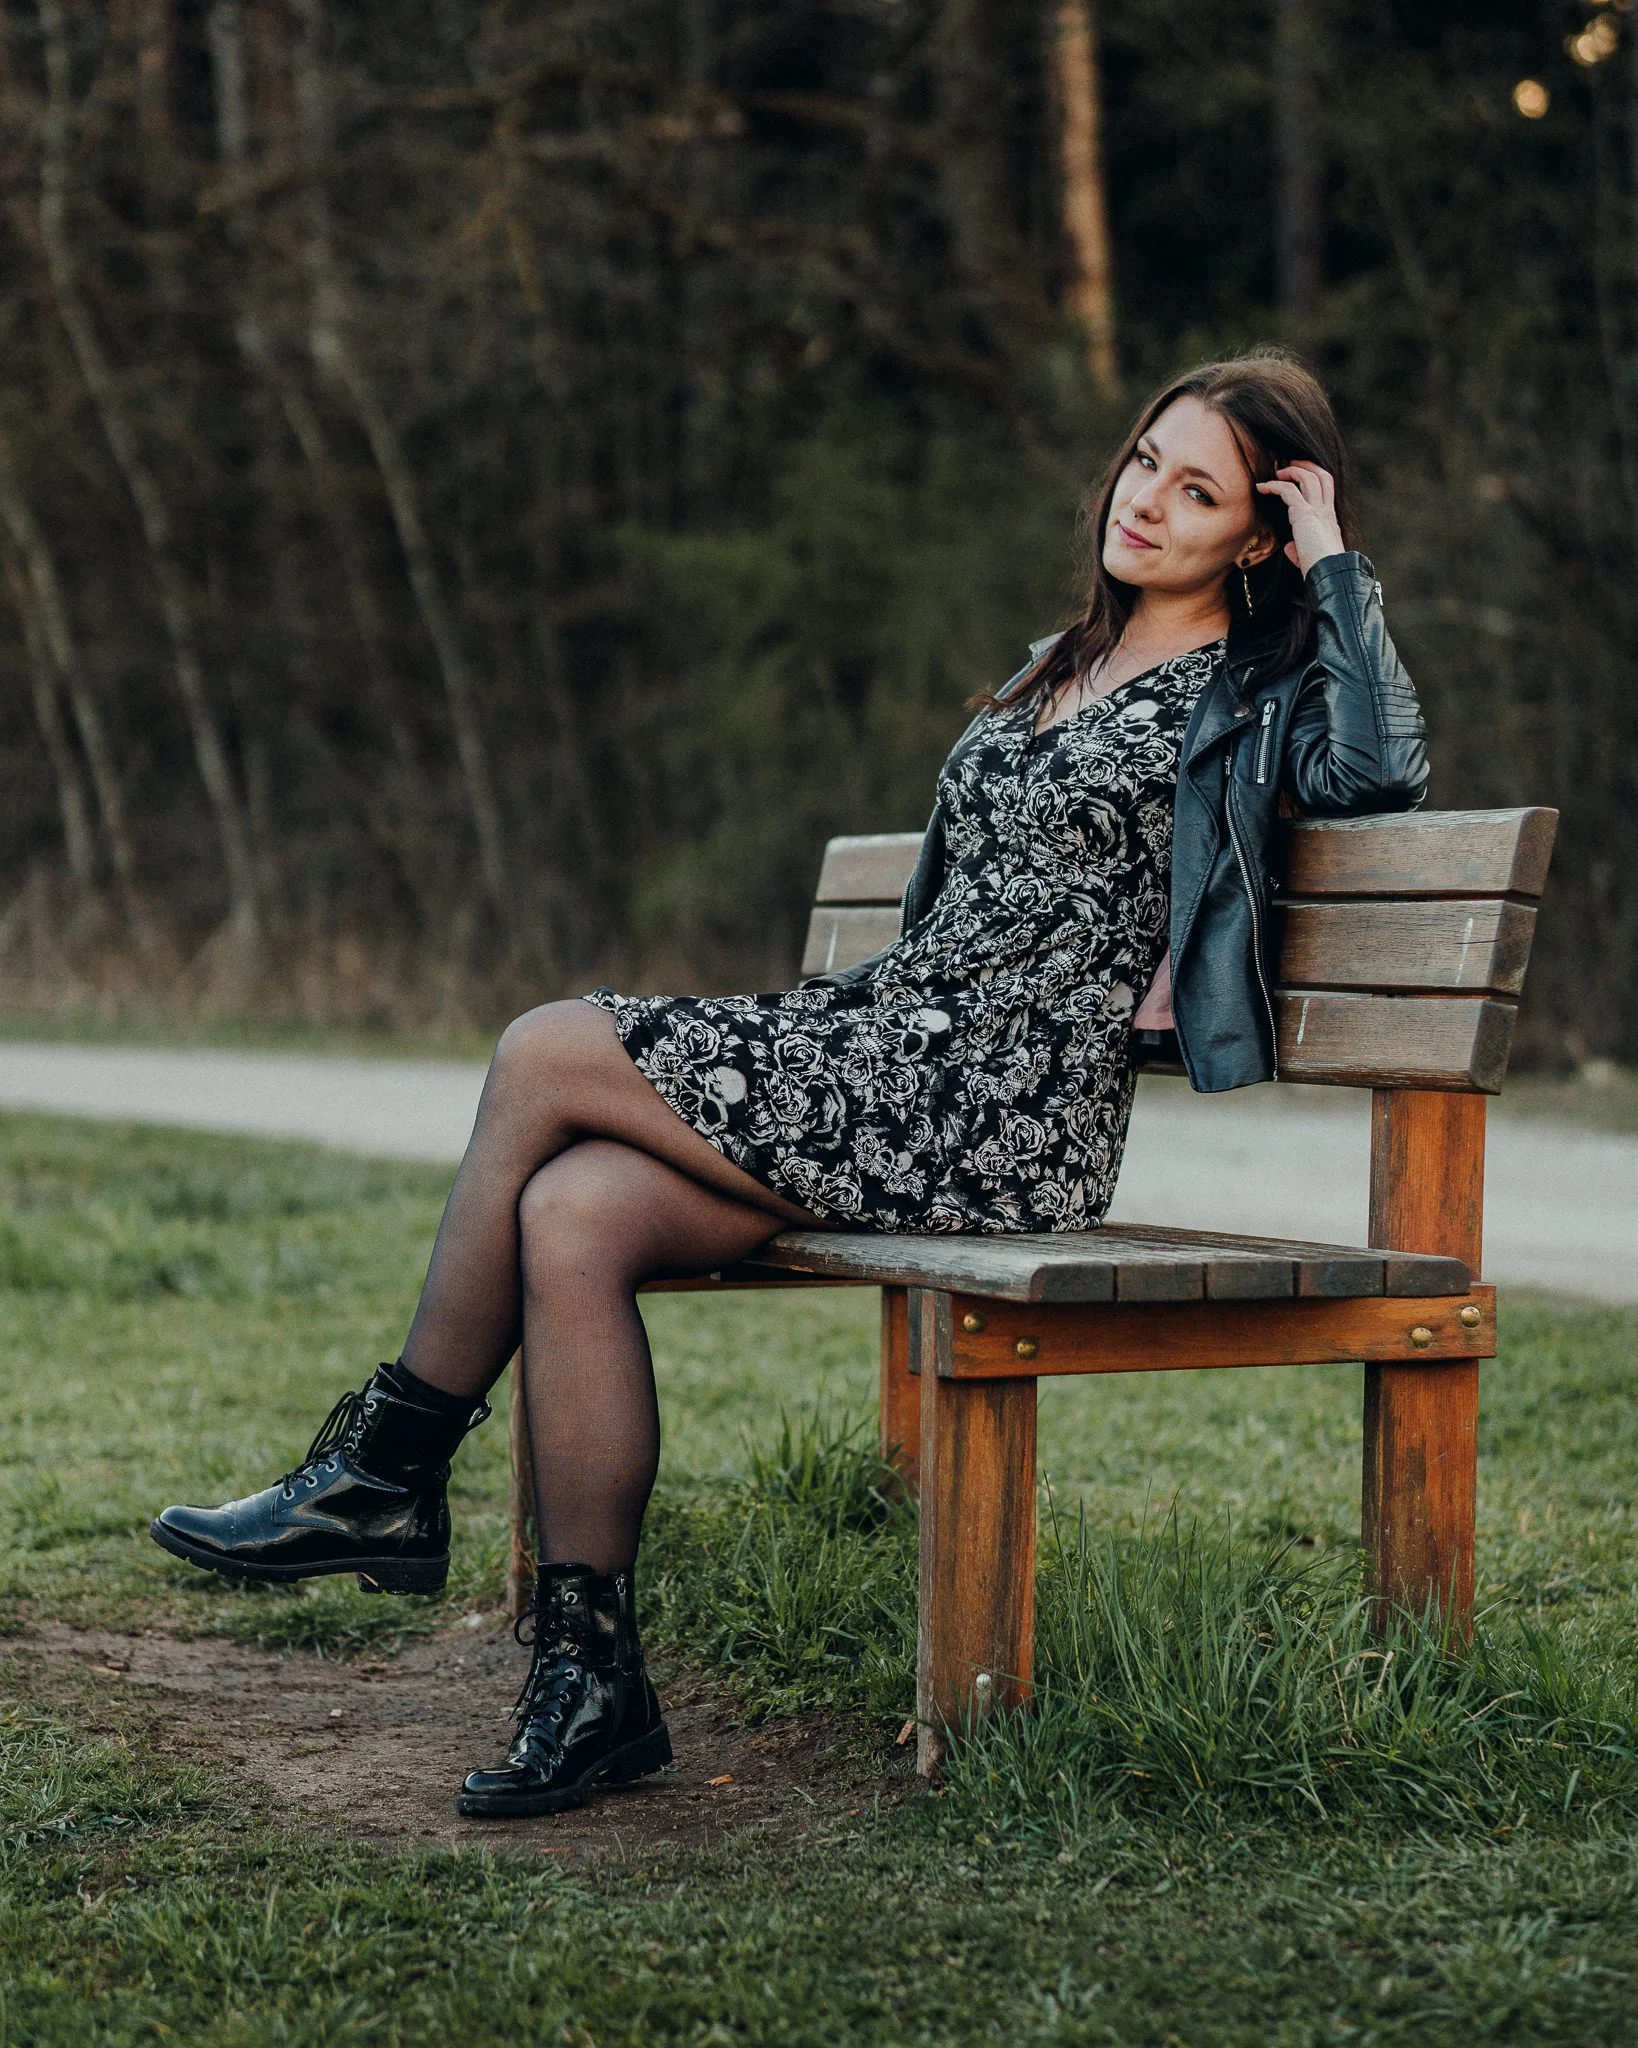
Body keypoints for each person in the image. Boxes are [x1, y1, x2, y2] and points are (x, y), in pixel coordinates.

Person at [150, 349, 1427, 1818]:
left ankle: (384, 1470)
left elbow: (1379, 773)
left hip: (999, 1108)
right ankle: (591, 1687)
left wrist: (1337, 564)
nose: (1145, 500)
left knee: (545, 1046)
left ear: (1256, 536)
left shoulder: (1251, 696)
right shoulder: (1056, 662)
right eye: (1146, 461)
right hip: (891, 1052)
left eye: (1198, 492)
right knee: (573, 1212)